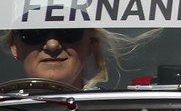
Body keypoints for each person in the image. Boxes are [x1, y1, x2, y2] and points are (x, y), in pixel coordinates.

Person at [6, 26, 142, 89]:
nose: (52, 45)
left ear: (91, 44)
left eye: (68, 32)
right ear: (14, 47)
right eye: (33, 33)